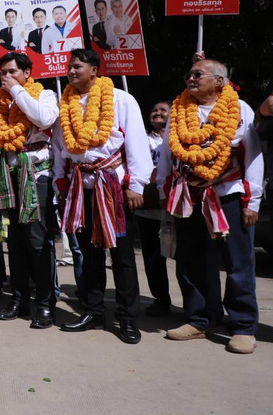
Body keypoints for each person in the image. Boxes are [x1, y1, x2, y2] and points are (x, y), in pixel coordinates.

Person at [158, 59, 263, 354]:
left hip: (228, 195)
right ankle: (200, 319)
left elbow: (253, 155)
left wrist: (252, 201)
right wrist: (164, 189)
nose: (190, 78)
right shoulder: (179, 109)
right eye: (188, 74)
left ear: (219, 81)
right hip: (188, 194)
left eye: (197, 74)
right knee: (191, 260)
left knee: (238, 262)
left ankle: (243, 326)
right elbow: (167, 152)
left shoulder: (238, 108)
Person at [52, 48, 151, 344]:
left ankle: (127, 317)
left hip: (113, 187)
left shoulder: (120, 99)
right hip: (80, 187)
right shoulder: (65, 104)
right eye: (69, 67)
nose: (71, 71)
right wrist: (61, 185)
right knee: (88, 254)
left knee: (121, 255)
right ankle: (93, 311)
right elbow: (59, 148)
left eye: (77, 66)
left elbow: (136, 142)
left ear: (95, 70)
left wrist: (137, 185)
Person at [0, 53, 59, 328]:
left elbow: (44, 119)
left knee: (37, 241)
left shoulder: (44, 94)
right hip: (9, 175)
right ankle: (19, 299)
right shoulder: (1, 101)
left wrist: (16, 90)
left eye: (12, 71)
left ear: (27, 72)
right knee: (14, 242)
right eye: (3, 73)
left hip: (36, 176)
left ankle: (45, 304)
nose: (6, 77)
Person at [137, 101, 173, 317]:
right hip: (149, 207)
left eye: (163, 110)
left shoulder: (179, 137)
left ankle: (194, 303)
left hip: (175, 207)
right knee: (152, 257)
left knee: (184, 256)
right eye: (154, 110)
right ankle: (161, 299)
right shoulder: (142, 139)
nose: (157, 113)